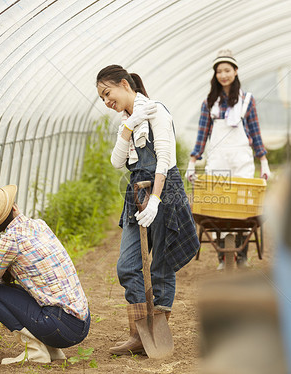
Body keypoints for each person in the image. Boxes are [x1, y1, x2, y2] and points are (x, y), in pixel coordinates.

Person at [96, 65, 199, 356]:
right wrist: (128, 127)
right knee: (128, 266)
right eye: (102, 98)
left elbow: (164, 159)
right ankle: (138, 333)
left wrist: (155, 200)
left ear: (125, 85)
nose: (106, 101)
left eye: (108, 93)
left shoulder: (156, 112)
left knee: (161, 264)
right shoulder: (128, 122)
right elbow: (118, 162)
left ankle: (155, 332)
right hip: (136, 191)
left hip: (164, 190)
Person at [0, 184, 90, 365]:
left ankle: (36, 352)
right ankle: (51, 350)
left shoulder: (9, 242)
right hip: (81, 321)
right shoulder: (39, 225)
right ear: (14, 206)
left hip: (62, 328)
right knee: (14, 289)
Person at [185, 49, 271, 270]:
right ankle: (223, 256)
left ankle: (241, 254)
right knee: (219, 205)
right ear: (215, 75)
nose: (223, 75)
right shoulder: (209, 103)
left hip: (241, 157)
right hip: (218, 159)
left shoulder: (247, 101)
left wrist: (264, 162)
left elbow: (255, 132)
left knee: (243, 206)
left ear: (235, 71)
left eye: (227, 70)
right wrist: (193, 162)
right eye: (219, 71)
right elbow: (202, 134)